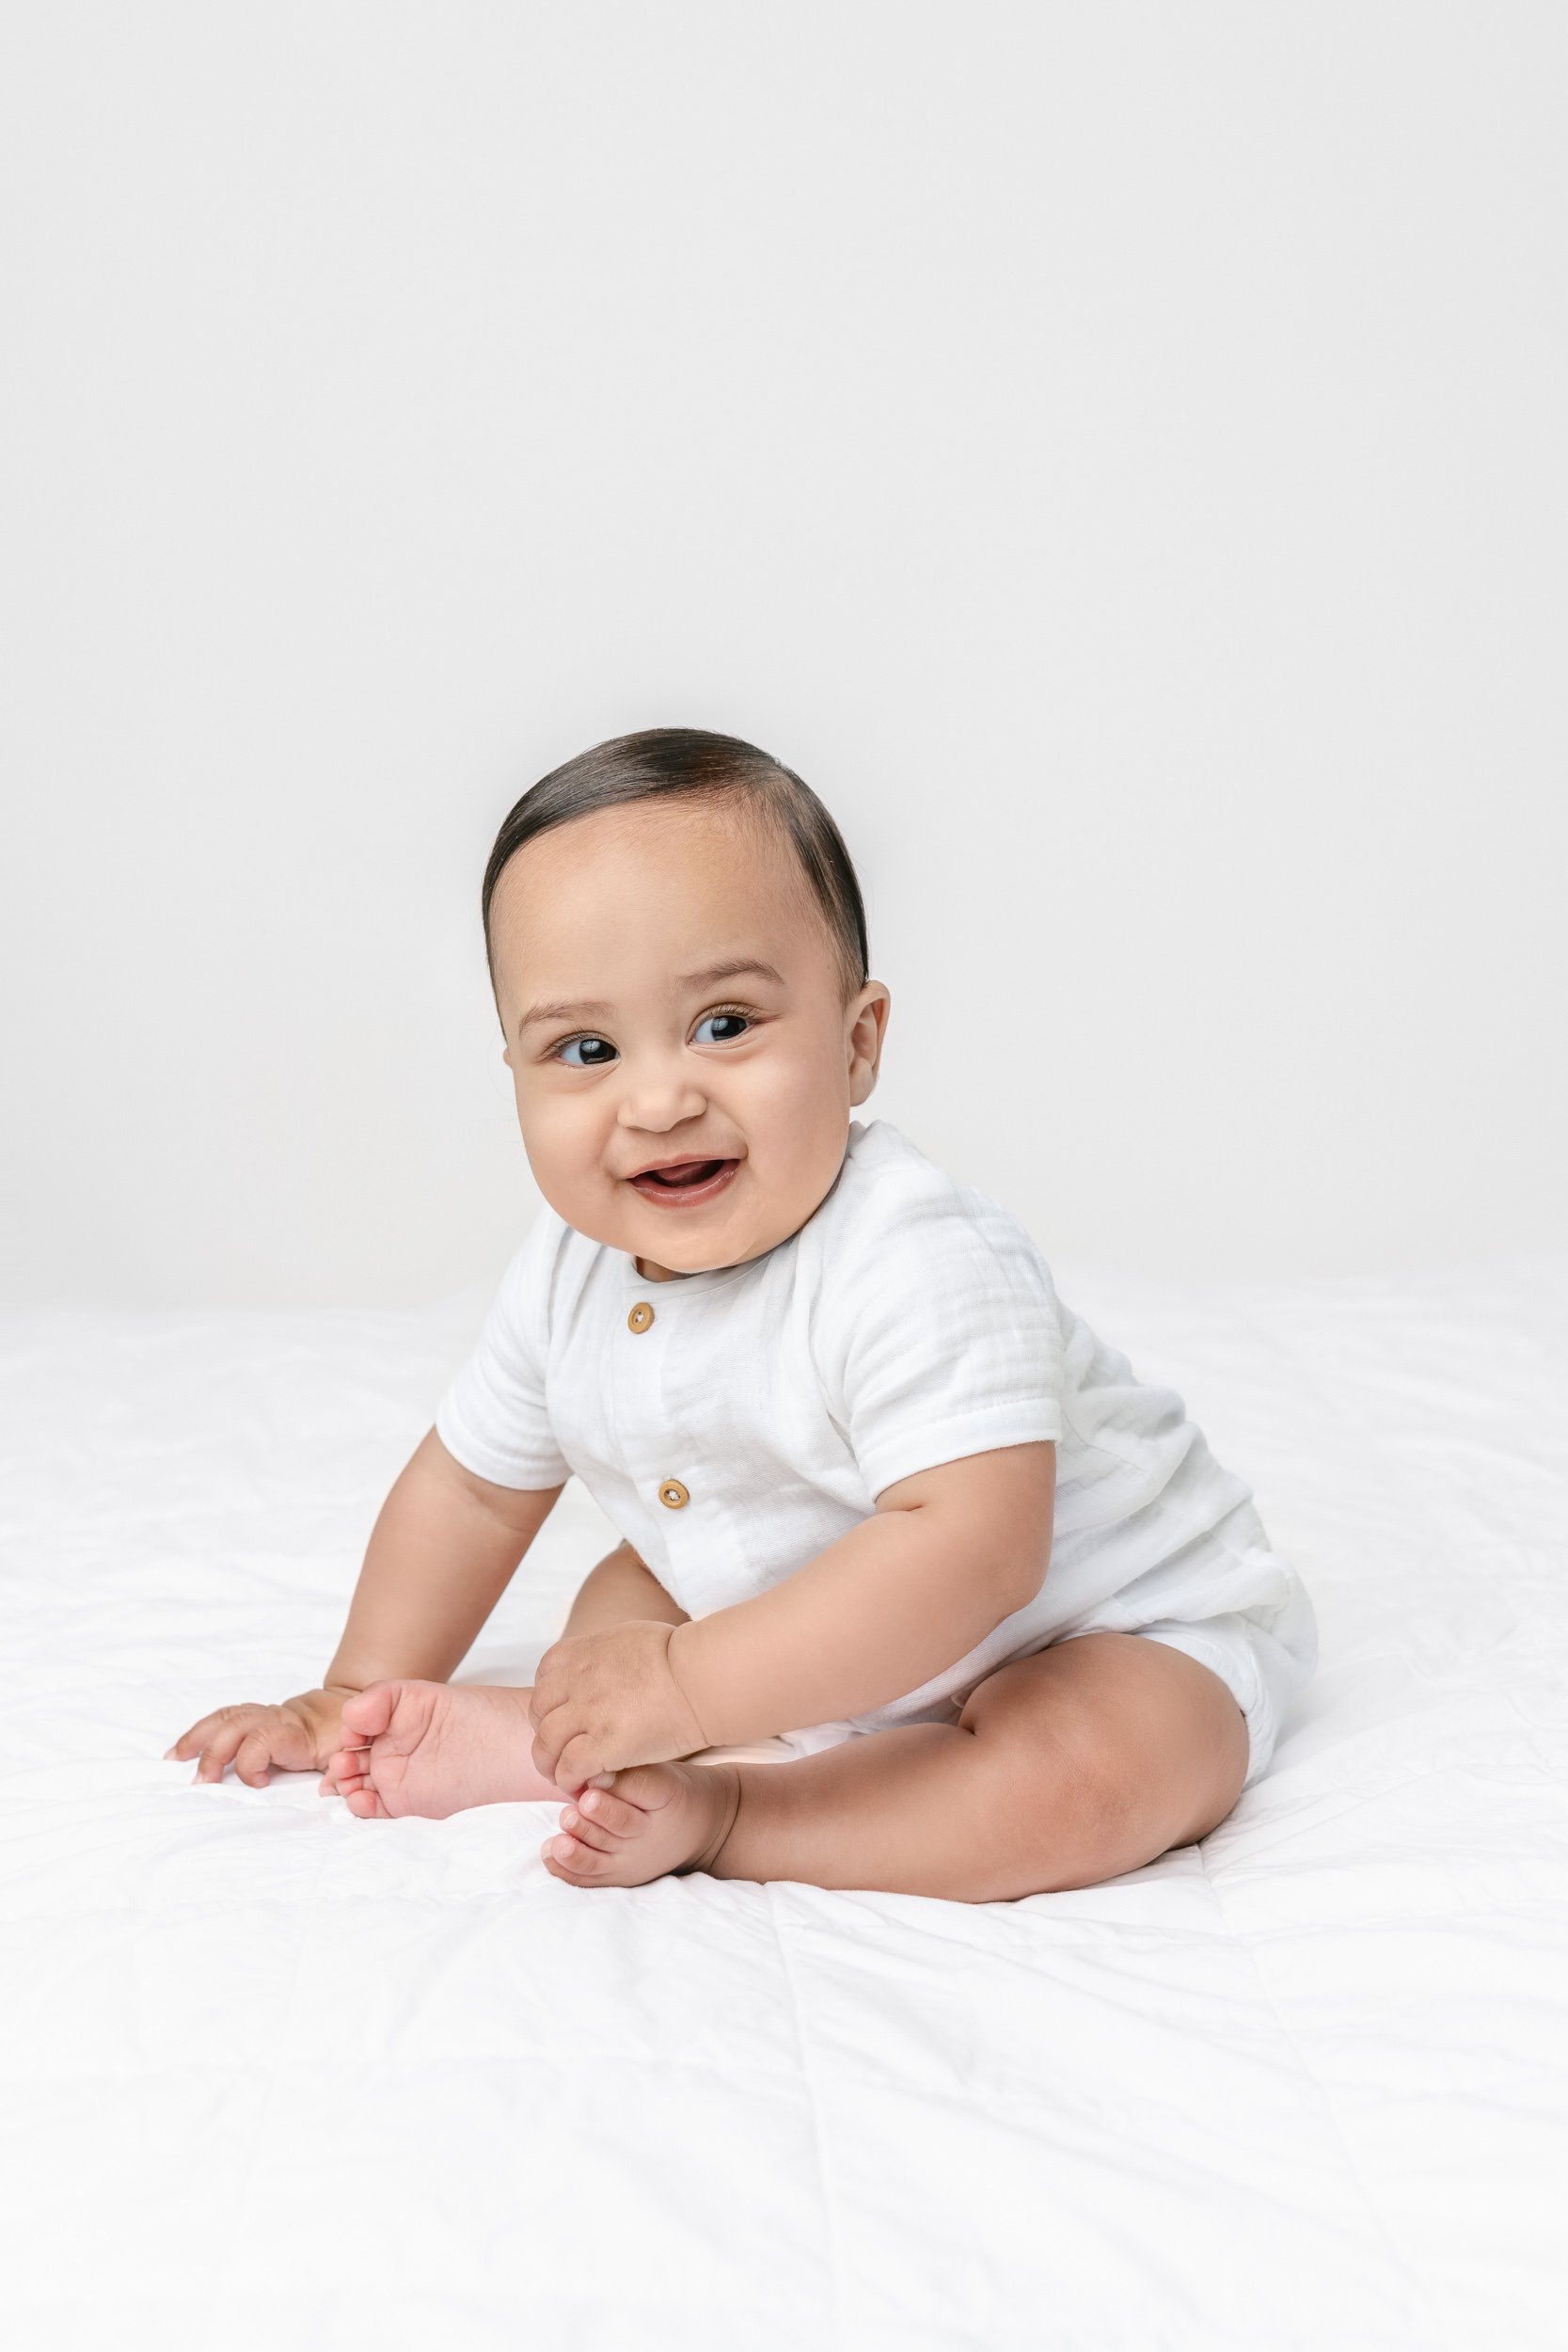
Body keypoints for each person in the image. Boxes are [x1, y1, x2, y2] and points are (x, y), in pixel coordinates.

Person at [166, 728, 1318, 1901]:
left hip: (1092, 1628)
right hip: (786, 1600)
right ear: (513, 1070)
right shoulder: (567, 1269)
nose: (660, 1097)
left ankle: (732, 1809)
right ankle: (563, 1732)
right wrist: (344, 1689)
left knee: (1094, 1770)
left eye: (725, 1023)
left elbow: (974, 1551)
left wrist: (690, 1686)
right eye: (586, 1047)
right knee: (619, 1606)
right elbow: (468, 1489)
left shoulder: (916, 1254)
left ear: (856, 1040)